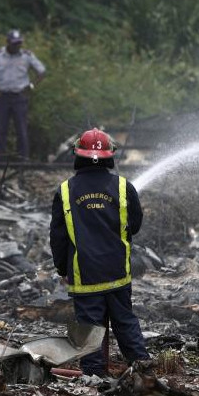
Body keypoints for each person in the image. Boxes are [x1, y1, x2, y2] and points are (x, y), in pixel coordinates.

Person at [49, 128, 150, 377]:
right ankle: (143, 369)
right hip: (117, 272)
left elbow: (58, 238)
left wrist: (63, 269)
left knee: (90, 328)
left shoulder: (64, 192)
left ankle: (95, 379)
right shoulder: (124, 187)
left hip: (85, 275)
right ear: (109, 156)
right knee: (125, 321)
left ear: (77, 155)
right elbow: (134, 226)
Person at [0, 29, 46, 160]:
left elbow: (41, 71)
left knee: (21, 130)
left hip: (19, 96)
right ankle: (0, 161)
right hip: (2, 96)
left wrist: (31, 85)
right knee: (0, 130)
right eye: (14, 43)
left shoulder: (26, 56)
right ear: (8, 42)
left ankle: (23, 160)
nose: (17, 46)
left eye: (19, 43)